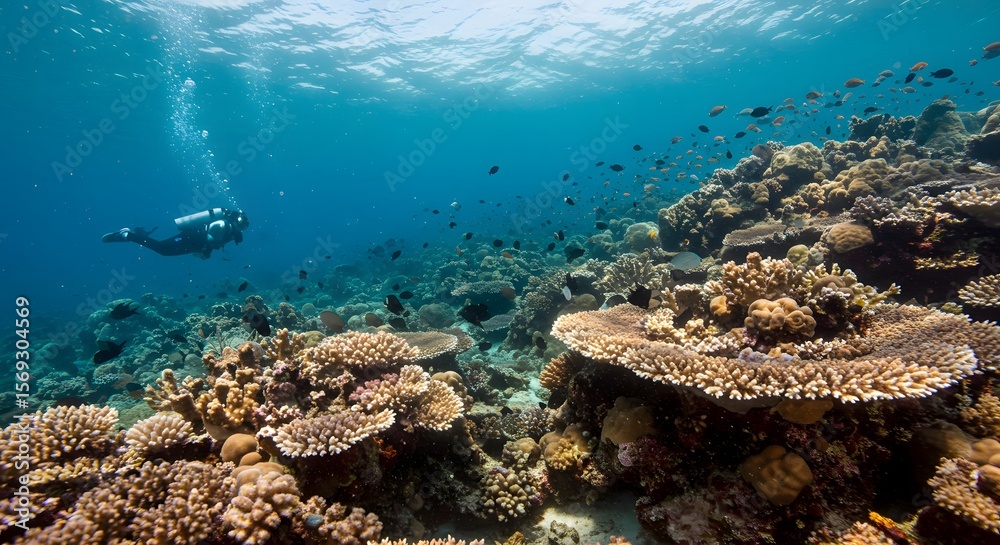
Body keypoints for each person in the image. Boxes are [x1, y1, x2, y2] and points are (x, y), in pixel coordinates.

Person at [102, 207, 249, 258]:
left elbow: (212, 242)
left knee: (164, 251)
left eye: (245, 226)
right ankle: (127, 234)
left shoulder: (232, 232)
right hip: (191, 237)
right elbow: (210, 237)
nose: (242, 227)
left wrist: (206, 250)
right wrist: (207, 249)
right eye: (242, 223)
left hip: (195, 244)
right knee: (161, 248)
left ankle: (128, 236)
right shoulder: (223, 224)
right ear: (236, 219)